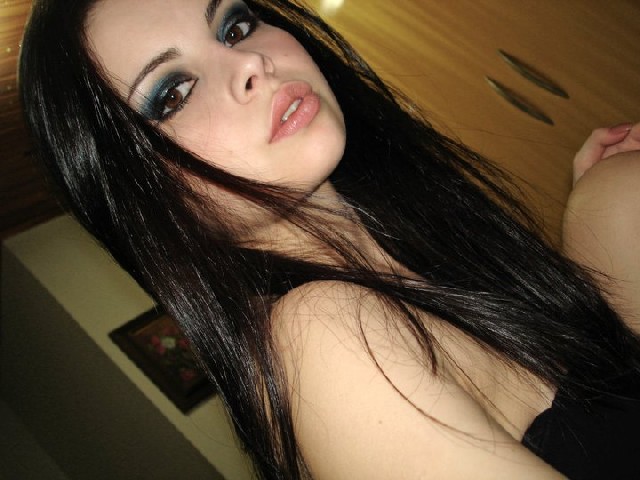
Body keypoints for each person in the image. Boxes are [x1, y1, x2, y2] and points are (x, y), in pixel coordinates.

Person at [18, 0, 640, 478]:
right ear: (141, 201)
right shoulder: (324, 334)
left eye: (234, 26)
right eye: (172, 93)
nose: (249, 63)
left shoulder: (427, 257)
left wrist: (604, 215)